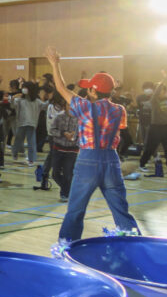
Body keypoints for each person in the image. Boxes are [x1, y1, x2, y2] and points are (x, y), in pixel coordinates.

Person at [44, 47, 139, 255]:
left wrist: (55, 64)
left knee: (76, 210)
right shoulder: (119, 110)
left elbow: (61, 88)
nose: (88, 91)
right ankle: (137, 249)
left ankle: (66, 250)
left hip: (87, 160)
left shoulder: (85, 107)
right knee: (121, 210)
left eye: (90, 89)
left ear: (94, 91)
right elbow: (119, 129)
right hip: (112, 160)